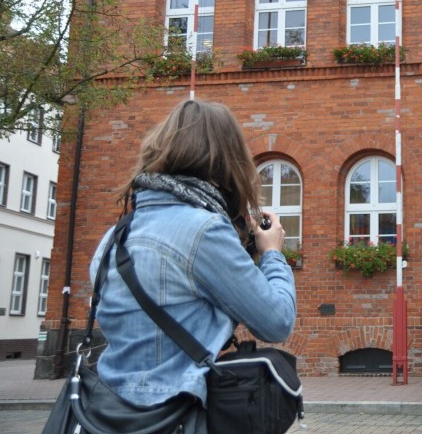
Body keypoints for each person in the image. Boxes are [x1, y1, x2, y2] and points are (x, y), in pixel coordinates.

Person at [89, 100, 297, 429]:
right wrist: (271, 253)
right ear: (226, 161)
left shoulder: (114, 237)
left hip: (105, 412)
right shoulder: (204, 232)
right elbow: (276, 322)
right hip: (175, 416)